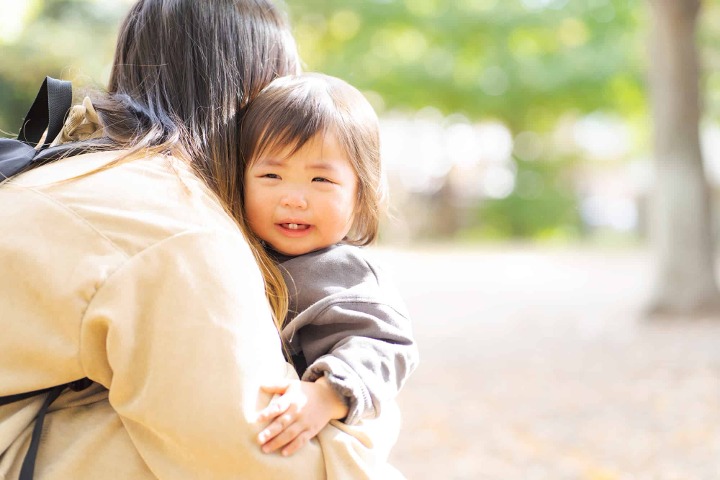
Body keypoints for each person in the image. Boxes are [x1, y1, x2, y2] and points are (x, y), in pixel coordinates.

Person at [0, 1, 403, 479]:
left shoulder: (76, 166)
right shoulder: (173, 224)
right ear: (254, 100)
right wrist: (373, 411)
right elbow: (264, 462)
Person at [238, 73, 419, 457]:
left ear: (360, 194)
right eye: (271, 175)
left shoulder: (345, 274)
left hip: (310, 440)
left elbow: (387, 345)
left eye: (321, 179)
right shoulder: (233, 246)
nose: (294, 198)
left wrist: (327, 394)